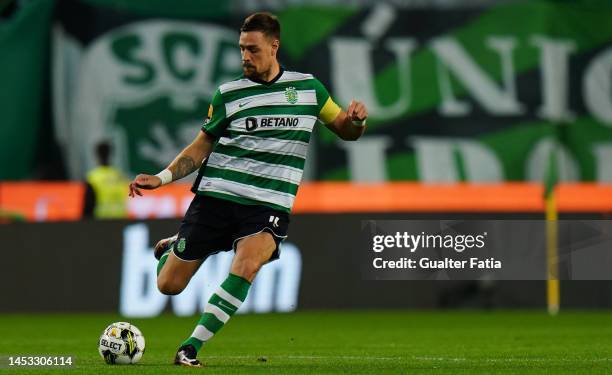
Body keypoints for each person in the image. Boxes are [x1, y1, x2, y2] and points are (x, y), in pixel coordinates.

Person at [128, 12, 367, 367]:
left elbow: (345, 130)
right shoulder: (229, 94)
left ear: (274, 46)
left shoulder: (309, 91)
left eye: (253, 50)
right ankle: (172, 247)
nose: (245, 57)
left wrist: (357, 121)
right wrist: (162, 178)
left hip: (268, 203)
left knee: (248, 265)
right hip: (217, 198)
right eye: (241, 49)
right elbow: (199, 147)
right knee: (168, 286)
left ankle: (189, 348)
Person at [84, 141, 129, 219]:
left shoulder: (93, 177)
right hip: (120, 219)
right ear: (111, 154)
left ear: (96, 155)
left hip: (102, 220)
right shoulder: (120, 176)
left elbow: (88, 205)